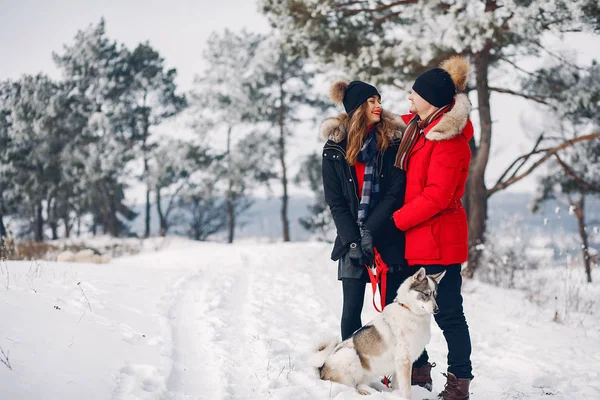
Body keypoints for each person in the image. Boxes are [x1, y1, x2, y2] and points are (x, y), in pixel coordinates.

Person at [392, 56, 474, 399]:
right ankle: (420, 372)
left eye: (415, 92)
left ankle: (459, 383)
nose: (409, 97)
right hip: (419, 238)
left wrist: (396, 221)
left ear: (433, 99)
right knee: (412, 311)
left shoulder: (448, 140)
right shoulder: (419, 130)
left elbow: (437, 196)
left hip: (439, 240)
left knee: (449, 313)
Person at [321, 80, 407, 341]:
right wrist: (354, 242)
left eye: (379, 100)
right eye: (372, 101)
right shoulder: (334, 149)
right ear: (358, 107)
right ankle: (351, 368)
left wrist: (371, 229)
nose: (379, 105)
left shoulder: (391, 144)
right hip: (351, 239)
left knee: (394, 310)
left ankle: (402, 370)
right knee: (351, 311)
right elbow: (336, 202)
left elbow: (395, 192)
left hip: (387, 234)